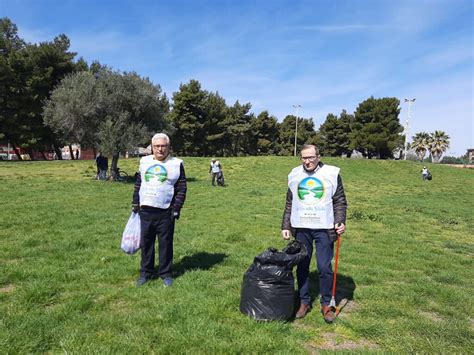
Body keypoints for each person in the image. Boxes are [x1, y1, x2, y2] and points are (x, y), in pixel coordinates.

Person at [281, 144, 347, 324]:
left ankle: (326, 304)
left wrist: (340, 221)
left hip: (324, 228)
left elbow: (340, 201)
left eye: (311, 157)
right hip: (302, 228)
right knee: (302, 265)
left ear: (318, 156)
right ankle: (304, 301)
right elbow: (290, 202)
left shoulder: (331, 174)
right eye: (304, 158)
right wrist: (286, 225)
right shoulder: (295, 175)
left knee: (324, 267)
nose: (307, 161)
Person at [132, 133, 187, 287]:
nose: (160, 149)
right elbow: (138, 184)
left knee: (166, 244)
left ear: (169, 147)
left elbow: (182, 188)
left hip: (166, 212)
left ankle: (166, 274)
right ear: (152, 147)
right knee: (146, 244)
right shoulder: (144, 162)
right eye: (157, 146)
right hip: (146, 211)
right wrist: (135, 203)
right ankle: (145, 273)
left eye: (163, 146)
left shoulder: (176, 164)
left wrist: (176, 208)